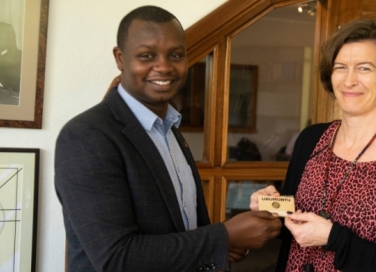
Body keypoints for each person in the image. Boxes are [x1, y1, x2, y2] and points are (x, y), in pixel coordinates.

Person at [55, 6, 282, 272]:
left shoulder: (170, 129)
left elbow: (179, 228)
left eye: (175, 55)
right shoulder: (86, 136)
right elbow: (116, 257)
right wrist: (224, 236)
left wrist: (222, 245)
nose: (163, 66)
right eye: (147, 55)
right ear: (120, 58)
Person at [251, 18, 376, 271]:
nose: (349, 80)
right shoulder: (311, 140)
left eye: (364, 68)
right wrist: (267, 205)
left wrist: (335, 239)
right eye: (341, 67)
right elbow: (292, 217)